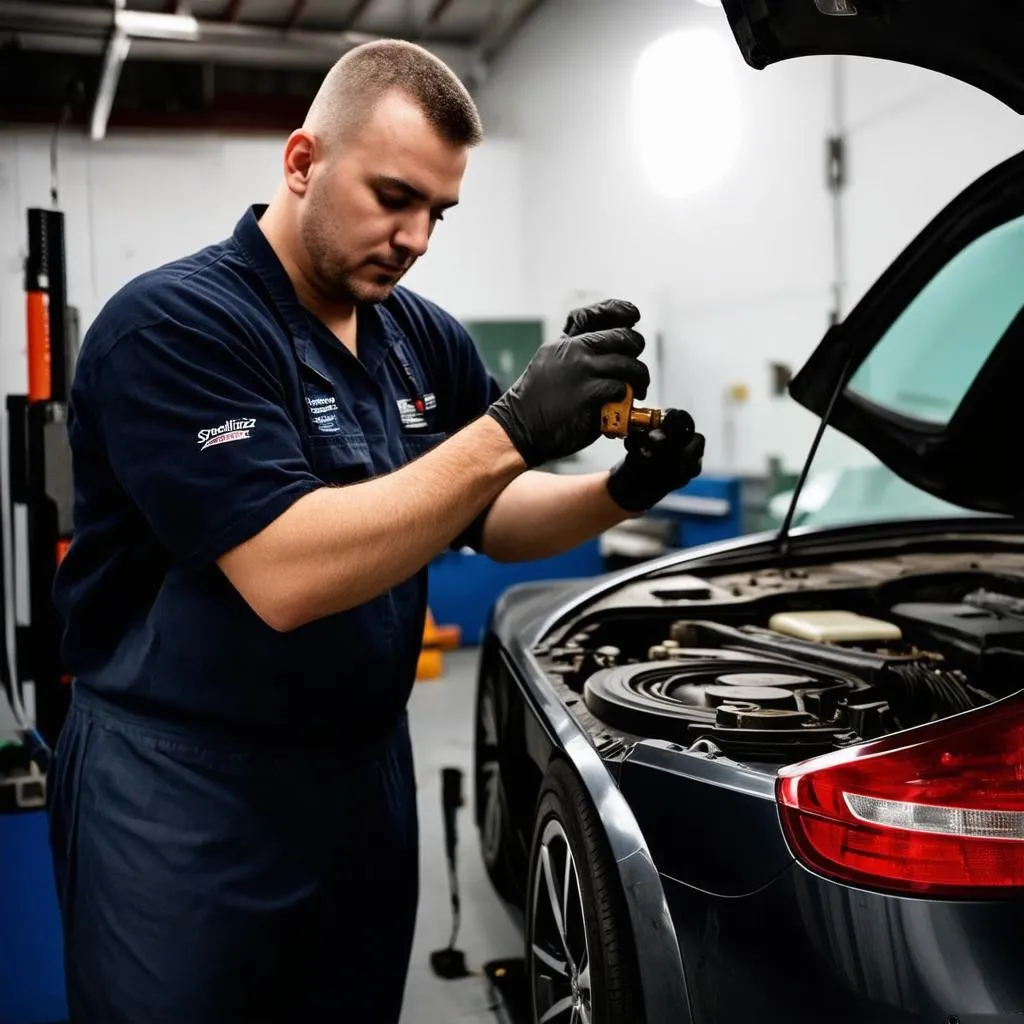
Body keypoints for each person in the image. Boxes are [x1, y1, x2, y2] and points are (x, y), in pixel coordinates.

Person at [46, 38, 705, 1024]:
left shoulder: (419, 334)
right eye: (392, 196)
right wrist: (513, 426)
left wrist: (617, 491)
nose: (413, 238)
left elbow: (481, 513)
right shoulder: (174, 327)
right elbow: (286, 570)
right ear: (302, 162)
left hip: (360, 775)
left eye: (435, 212)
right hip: (182, 794)